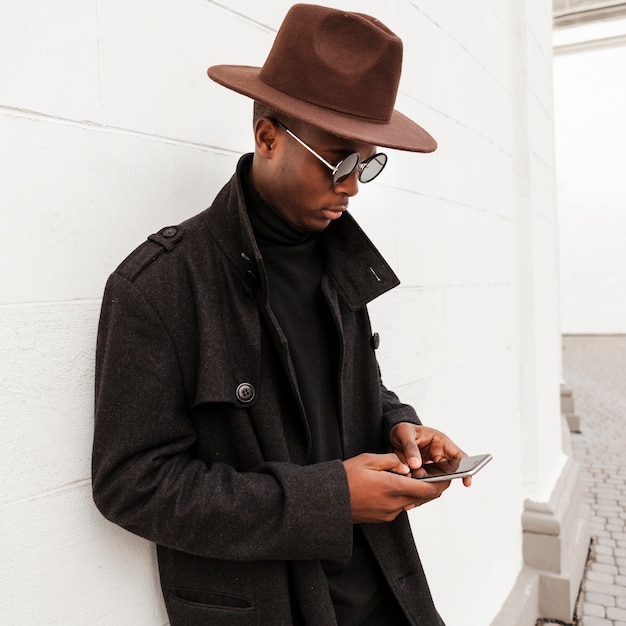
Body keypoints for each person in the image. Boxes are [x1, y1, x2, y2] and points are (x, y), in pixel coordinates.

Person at [92, 4, 472, 625]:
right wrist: (330, 500)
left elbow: (345, 390)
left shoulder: (341, 261)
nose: (352, 186)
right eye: (339, 160)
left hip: (382, 592)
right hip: (266, 607)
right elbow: (131, 484)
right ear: (267, 137)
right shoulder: (159, 287)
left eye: (369, 164)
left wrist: (401, 426)